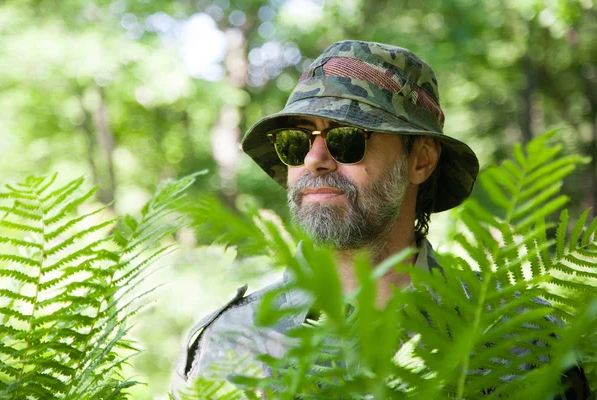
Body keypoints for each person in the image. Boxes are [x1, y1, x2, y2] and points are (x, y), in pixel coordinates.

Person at [171, 40, 589, 398]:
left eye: (347, 138)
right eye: (296, 142)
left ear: (421, 160)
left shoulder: (522, 341)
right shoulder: (223, 342)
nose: (315, 159)